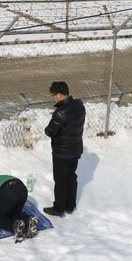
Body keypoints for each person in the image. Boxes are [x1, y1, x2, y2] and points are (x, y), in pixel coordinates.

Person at [43, 81, 86, 218]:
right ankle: (70, 205)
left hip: (62, 152)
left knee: (61, 180)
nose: (53, 98)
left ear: (60, 95)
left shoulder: (60, 113)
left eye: (53, 95)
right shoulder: (79, 105)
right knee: (71, 177)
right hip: (76, 149)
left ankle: (59, 208)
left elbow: (50, 131)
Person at [0, 174, 38, 243]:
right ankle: (27, 220)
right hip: (22, 189)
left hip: (7, 190)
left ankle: (15, 226)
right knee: (15, 214)